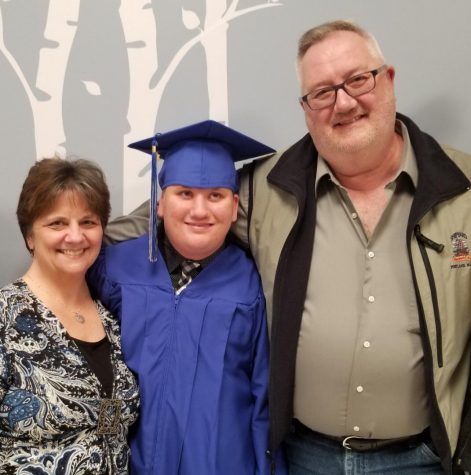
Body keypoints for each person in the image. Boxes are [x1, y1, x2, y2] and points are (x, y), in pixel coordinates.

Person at [104, 21, 471, 475]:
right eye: (321, 92)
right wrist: (68, 234)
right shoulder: (269, 187)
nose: (343, 101)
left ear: (388, 78)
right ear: (305, 107)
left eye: (358, 79)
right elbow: (185, 210)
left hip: (423, 459)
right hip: (304, 456)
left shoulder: (462, 190)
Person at [88, 120, 286, 474]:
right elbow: (95, 370)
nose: (199, 210)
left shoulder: (252, 283)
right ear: (160, 203)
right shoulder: (113, 269)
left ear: (234, 205)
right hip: (129, 462)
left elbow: (262, 402)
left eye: (215, 196)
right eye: (184, 194)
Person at [0, 158, 139, 473]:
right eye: (57, 223)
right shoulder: (4, 317)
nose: (75, 237)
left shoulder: (113, 319)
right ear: (30, 236)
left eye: (88, 222)